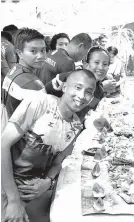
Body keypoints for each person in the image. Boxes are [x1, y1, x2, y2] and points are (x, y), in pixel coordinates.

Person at [1, 69, 97, 222]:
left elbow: (59, 161)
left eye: (88, 92)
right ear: (65, 87)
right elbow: (2, 145)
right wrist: (13, 200)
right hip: (6, 190)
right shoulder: (40, 103)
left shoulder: (76, 126)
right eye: (77, 87)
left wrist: (48, 181)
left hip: (35, 195)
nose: (81, 95)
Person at [45, 46, 110, 122]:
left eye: (105, 64)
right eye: (96, 62)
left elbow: (90, 111)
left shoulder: (100, 91)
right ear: (86, 64)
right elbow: (44, 94)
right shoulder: (67, 78)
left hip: (75, 130)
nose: (101, 67)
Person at [2, 28, 46, 118]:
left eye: (43, 50)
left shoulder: (14, 70)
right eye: (33, 51)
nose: (41, 56)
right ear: (19, 53)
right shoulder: (33, 84)